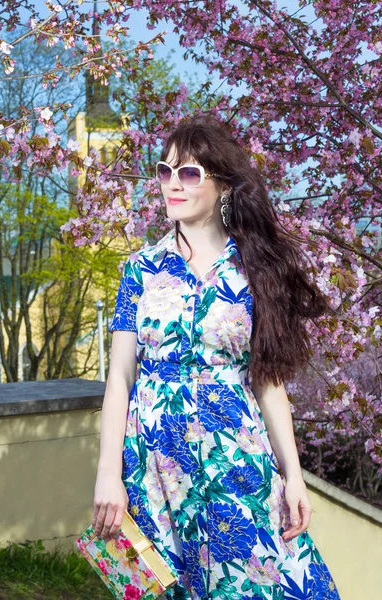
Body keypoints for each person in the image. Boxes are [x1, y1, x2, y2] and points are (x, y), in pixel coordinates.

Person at [92, 114, 341, 599]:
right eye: (165, 172)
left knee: (278, 581)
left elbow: (268, 383)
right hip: (153, 464)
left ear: (223, 186)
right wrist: (108, 473)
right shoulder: (141, 269)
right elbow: (120, 378)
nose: (172, 185)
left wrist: (293, 476)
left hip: (236, 458)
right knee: (167, 587)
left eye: (188, 174)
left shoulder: (254, 272)